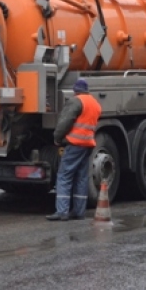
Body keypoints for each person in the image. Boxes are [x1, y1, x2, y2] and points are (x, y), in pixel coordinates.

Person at [46, 78, 102, 221]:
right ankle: (79, 211)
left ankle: (62, 212)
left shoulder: (76, 101)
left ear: (76, 90)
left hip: (75, 144)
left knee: (64, 176)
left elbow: (65, 122)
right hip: (88, 144)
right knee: (81, 177)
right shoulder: (95, 103)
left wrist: (57, 138)